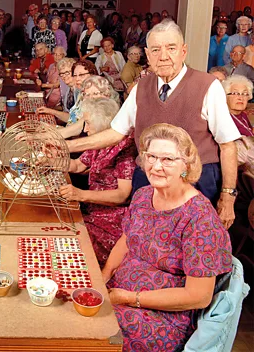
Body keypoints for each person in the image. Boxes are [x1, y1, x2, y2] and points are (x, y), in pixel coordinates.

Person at [66, 20, 240, 230]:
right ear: (148, 55)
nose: (163, 56)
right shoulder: (141, 87)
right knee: (142, 238)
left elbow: (228, 144)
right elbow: (115, 132)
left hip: (193, 181)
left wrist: (228, 196)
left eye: (171, 48)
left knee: (184, 244)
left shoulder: (208, 86)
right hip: (149, 177)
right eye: (156, 50)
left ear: (183, 51)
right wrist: (66, 146)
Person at [104, 123, 232, 352]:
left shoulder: (200, 218)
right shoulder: (143, 195)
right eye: (151, 157)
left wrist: (129, 298)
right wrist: (103, 277)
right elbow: (127, 239)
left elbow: (199, 296)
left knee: (96, 332)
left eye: (168, 159)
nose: (156, 166)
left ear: (187, 165)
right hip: (120, 292)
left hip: (162, 318)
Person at [60, 98, 136, 267]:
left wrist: (80, 195)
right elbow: (78, 165)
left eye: (87, 123)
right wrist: (51, 161)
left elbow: (122, 195)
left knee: (69, 240)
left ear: (102, 123)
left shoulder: (125, 148)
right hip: (92, 208)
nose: (85, 129)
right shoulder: (98, 142)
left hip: (111, 218)